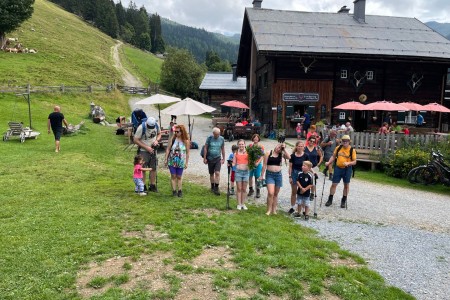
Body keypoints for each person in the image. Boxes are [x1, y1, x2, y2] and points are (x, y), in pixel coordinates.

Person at [324, 135, 357, 208]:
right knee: (334, 184)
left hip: (347, 169)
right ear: (341, 141)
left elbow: (354, 162)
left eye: (346, 141)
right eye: (343, 141)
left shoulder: (352, 150)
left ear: (349, 142)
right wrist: (329, 162)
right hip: (338, 168)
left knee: (346, 185)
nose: (345, 142)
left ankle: (343, 201)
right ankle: (330, 199)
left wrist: (348, 163)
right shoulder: (338, 148)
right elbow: (333, 156)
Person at [259, 142, 290, 215]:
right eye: (278, 147)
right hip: (270, 175)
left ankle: (274, 209)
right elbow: (264, 165)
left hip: (278, 175)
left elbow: (289, 157)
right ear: (275, 146)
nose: (278, 149)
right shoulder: (268, 153)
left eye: (280, 148)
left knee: (276, 194)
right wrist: (261, 175)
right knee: (270, 192)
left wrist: (284, 149)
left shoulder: (281, 154)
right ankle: (269, 209)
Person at [133, 117, 162, 192]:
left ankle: (152, 185)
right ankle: (143, 185)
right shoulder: (141, 128)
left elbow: (159, 134)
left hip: (153, 149)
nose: (151, 128)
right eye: (149, 127)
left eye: (152, 127)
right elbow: (135, 140)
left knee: (153, 167)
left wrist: (156, 140)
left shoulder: (156, 125)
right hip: (143, 151)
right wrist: (146, 147)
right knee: (143, 168)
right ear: (147, 124)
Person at [164, 124, 190, 197]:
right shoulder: (173, 139)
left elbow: (187, 152)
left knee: (179, 176)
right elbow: (168, 149)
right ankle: (174, 191)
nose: (176, 133)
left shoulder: (186, 141)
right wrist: (166, 159)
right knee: (173, 175)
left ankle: (180, 190)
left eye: (177, 131)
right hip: (172, 160)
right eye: (175, 131)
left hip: (180, 161)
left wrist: (186, 162)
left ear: (182, 132)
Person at [288, 141, 309, 214]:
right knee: (294, 191)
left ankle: (302, 208)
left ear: (304, 147)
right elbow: (290, 167)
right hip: (294, 173)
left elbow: (308, 165)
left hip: (302, 174)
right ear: (296, 147)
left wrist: (312, 172)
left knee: (302, 191)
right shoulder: (293, 156)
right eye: (299, 146)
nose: (300, 147)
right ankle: (292, 207)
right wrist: (290, 176)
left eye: (301, 146)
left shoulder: (306, 155)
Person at [203, 127, 226, 195]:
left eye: (218, 134)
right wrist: (204, 158)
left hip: (218, 158)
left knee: (217, 173)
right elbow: (205, 148)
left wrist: (223, 158)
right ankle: (212, 186)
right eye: (216, 134)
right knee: (211, 173)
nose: (217, 135)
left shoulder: (221, 139)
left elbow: (222, 148)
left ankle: (216, 188)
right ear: (213, 133)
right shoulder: (209, 138)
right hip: (210, 158)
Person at [232, 139, 250, 210]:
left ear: (245, 145)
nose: (241, 145)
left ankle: (243, 204)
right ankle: (239, 204)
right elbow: (234, 163)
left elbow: (251, 161)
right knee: (239, 188)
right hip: (238, 172)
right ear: (238, 145)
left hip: (246, 172)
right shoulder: (236, 153)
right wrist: (230, 163)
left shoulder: (248, 152)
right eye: (240, 144)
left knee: (244, 189)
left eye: (242, 144)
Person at [247, 134, 265, 199]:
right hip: (251, 164)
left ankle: (258, 191)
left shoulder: (261, 146)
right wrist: (249, 163)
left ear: (258, 139)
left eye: (257, 138)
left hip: (258, 164)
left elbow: (262, 156)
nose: (256, 139)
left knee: (257, 177)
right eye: (254, 137)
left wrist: (258, 162)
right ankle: (251, 189)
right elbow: (248, 155)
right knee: (250, 176)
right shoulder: (250, 146)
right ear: (253, 139)